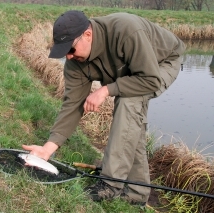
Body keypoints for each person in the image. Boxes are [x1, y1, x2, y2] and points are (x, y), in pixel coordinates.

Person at [22, 10, 186, 205]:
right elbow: (72, 105)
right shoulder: (75, 63)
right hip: (134, 72)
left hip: (160, 63)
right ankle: (138, 194)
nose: (69, 56)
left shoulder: (126, 31)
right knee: (132, 126)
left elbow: (149, 79)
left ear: (88, 35)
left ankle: (110, 184)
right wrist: (49, 148)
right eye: (64, 51)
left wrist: (106, 90)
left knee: (128, 102)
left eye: (71, 49)